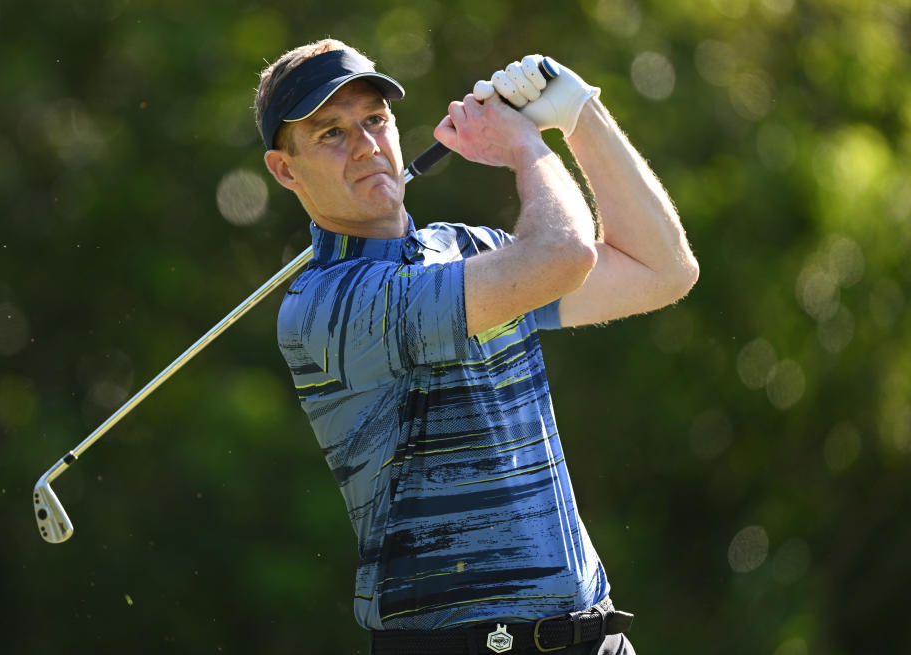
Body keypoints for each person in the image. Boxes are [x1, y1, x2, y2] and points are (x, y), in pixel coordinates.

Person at [254, 38, 698, 655]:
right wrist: (525, 147)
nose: (366, 146)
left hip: (592, 633)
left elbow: (664, 269)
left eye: (375, 121)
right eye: (331, 133)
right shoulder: (325, 305)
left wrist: (581, 115)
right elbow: (561, 255)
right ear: (285, 169)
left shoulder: (466, 249)